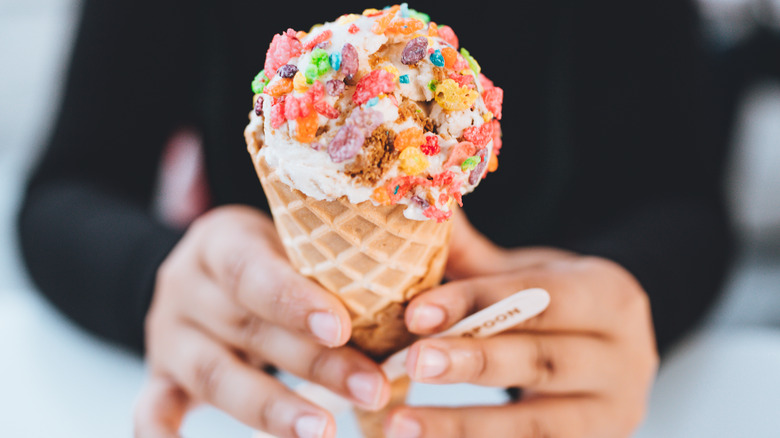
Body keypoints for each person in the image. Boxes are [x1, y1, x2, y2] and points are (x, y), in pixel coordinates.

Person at [17, 1, 733, 437]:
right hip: (268, 385)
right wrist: (157, 278)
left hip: (544, 395)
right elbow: (66, 190)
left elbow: (685, 200)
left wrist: (630, 292)